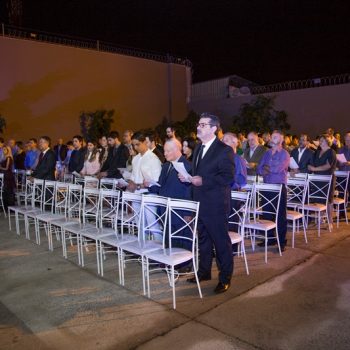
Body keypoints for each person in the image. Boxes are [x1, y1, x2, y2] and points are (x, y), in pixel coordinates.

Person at [180, 113, 235, 294]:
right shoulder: (197, 149)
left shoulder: (224, 150)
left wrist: (202, 180)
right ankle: (204, 272)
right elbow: (198, 174)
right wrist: (188, 178)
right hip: (200, 202)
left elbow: (227, 177)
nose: (198, 127)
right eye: (198, 124)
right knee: (203, 239)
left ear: (213, 128)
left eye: (202, 125)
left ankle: (225, 277)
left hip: (216, 204)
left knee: (220, 242)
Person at [146, 138, 193, 263]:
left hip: (180, 210)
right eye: (165, 151)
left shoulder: (187, 165)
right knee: (168, 237)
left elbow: (191, 190)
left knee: (183, 238)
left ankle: (185, 264)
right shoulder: (166, 165)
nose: (164, 153)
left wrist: (189, 212)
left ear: (177, 150)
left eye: (167, 151)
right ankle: (169, 262)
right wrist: (149, 185)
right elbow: (161, 186)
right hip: (166, 208)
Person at [257, 130, 290, 251]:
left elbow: (278, 169)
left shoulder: (285, 154)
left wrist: (266, 168)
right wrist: (265, 168)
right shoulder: (266, 153)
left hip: (278, 187)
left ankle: (281, 242)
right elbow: (259, 169)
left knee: (280, 215)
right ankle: (270, 239)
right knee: (267, 214)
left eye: (275, 137)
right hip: (266, 186)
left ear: (281, 140)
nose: (271, 138)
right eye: (272, 136)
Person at [308, 134, 337, 228]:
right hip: (317, 178)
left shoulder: (331, 152)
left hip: (327, 179)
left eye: (322, 140)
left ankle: (330, 222)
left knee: (328, 201)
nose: (320, 142)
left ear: (327, 141)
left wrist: (315, 169)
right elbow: (312, 163)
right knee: (318, 200)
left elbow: (328, 166)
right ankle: (320, 219)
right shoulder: (317, 152)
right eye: (320, 140)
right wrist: (310, 166)